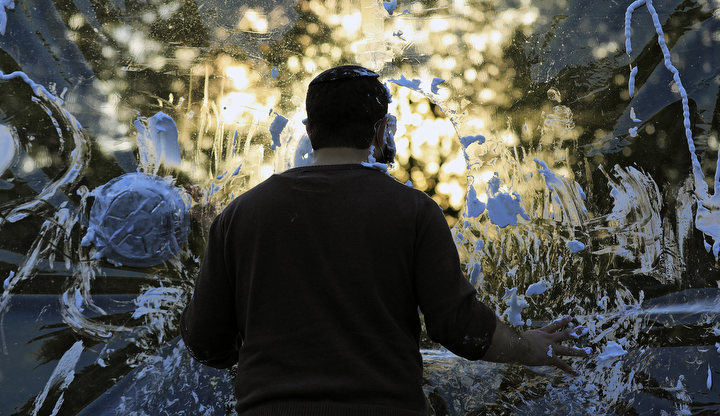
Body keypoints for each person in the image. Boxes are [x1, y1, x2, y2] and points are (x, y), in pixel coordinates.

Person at [180, 65, 589, 415]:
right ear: (379, 131)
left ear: (310, 130)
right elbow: (459, 328)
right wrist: (529, 347)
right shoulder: (412, 211)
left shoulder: (242, 214)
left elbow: (204, 340)